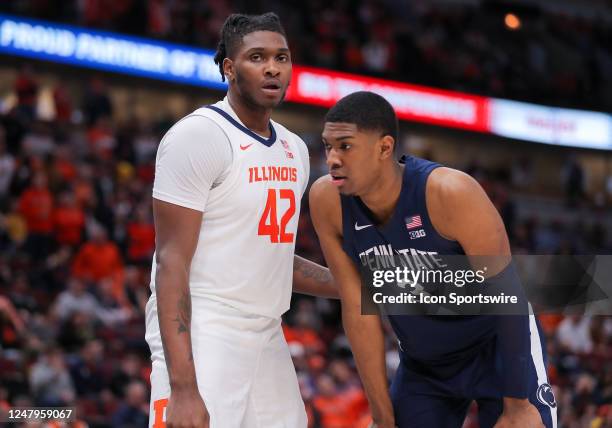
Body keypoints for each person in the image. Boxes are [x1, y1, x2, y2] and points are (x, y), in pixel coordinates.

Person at [309, 91, 557, 428]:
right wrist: (382, 417)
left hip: (496, 348)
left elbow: (508, 297)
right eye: (328, 146)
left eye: (345, 146)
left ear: (384, 148)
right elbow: (357, 309)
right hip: (425, 363)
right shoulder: (327, 200)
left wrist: (517, 406)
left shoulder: (450, 192)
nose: (332, 159)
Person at [145, 12, 337, 428]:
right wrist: (182, 386)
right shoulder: (199, 136)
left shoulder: (294, 149)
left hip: (266, 328)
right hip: (206, 325)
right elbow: (171, 261)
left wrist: (353, 284)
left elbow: (271, 258)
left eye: (281, 57)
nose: (272, 67)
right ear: (229, 69)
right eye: (257, 57)